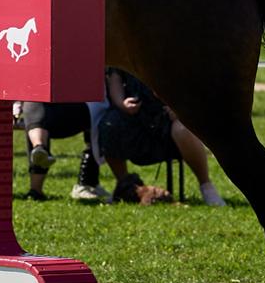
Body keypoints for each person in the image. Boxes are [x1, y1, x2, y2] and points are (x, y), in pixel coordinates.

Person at [97, 68, 226, 206]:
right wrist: (122, 103)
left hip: (168, 117)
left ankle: (206, 186)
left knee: (182, 129)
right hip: (136, 116)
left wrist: (180, 106)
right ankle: (126, 187)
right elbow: (115, 78)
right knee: (109, 123)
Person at [18, 100, 106, 202]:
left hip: (81, 109)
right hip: (46, 112)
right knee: (33, 103)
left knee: (33, 111)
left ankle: (36, 188)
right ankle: (39, 148)